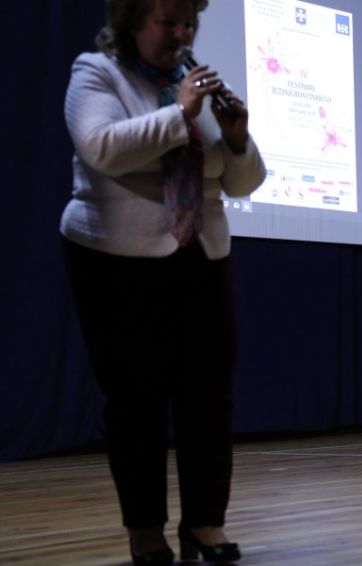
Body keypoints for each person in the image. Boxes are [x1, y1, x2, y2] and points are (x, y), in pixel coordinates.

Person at [60, 0, 266, 564]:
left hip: (201, 255)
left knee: (209, 399)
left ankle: (205, 524)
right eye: (167, 21)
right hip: (116, 260)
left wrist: (238, 139)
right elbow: (101, 148)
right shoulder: (96, 73)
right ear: (132, 20)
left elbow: (241, 183)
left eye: (188, 23)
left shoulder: (195, 85)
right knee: (136, 401)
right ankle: (146, 531)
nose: (181, 33)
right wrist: (181, 113)